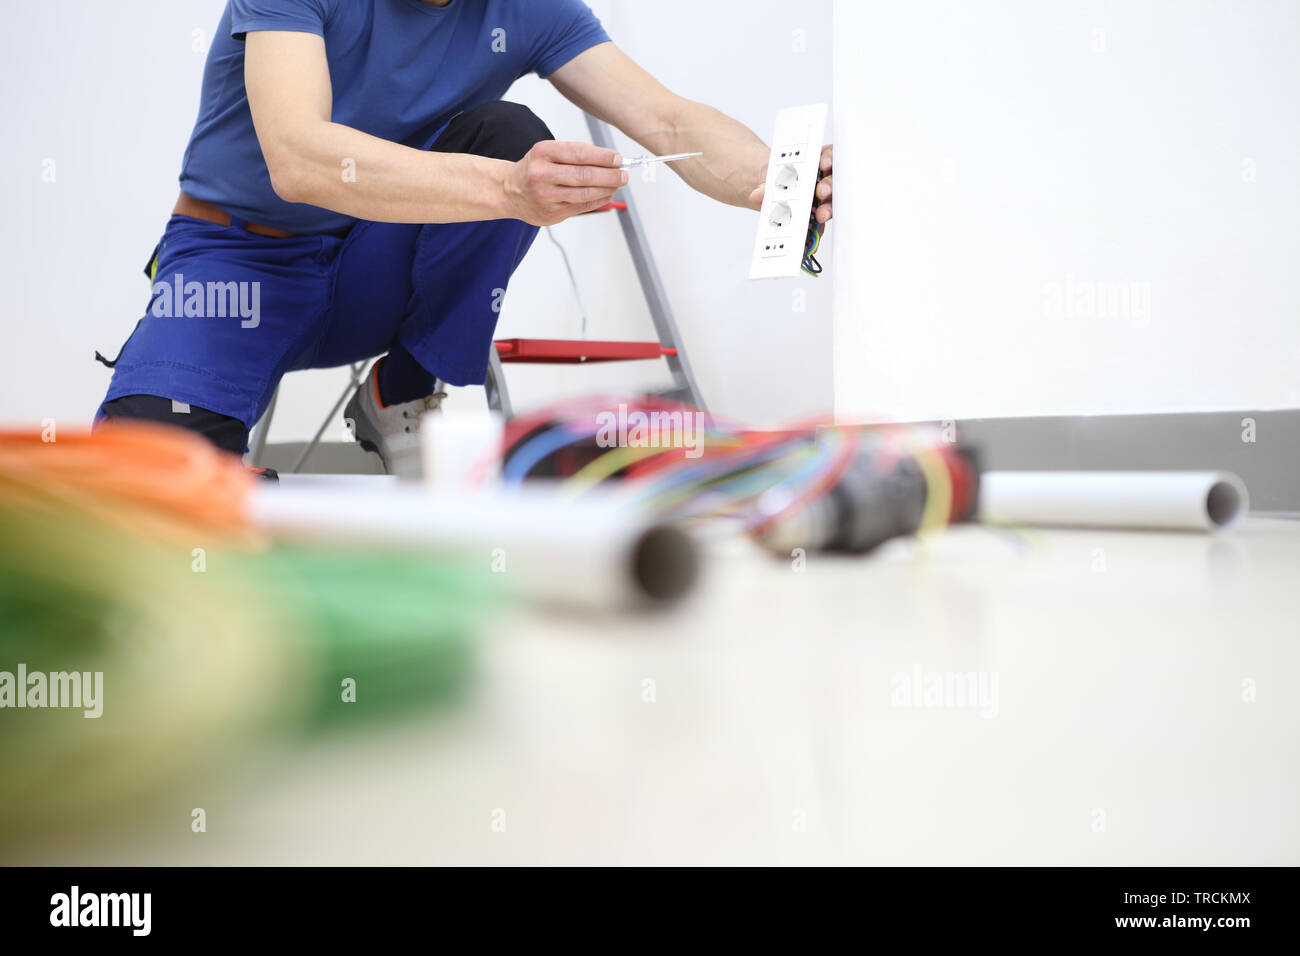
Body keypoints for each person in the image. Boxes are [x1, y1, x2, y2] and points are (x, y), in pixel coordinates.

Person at [95, 0, 834, 474]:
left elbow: (669, 123)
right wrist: (512, 191)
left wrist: (767, 181)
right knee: (142, 479)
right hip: (238, 266)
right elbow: (299, 158)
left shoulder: (531, 9)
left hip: (374, 261)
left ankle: (404, 387)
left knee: (508, 134)